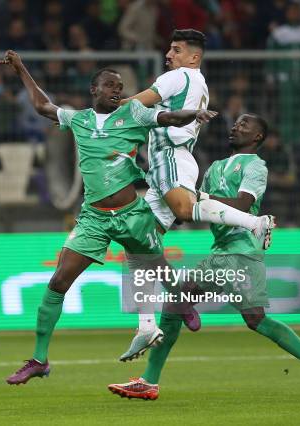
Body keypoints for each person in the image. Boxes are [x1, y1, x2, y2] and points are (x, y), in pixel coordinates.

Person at [0, 50, 217, 385]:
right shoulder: (79, 119)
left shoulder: (133, 113)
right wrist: (21, 69)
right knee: (58, 281)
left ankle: (181, 299)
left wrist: (194, 114)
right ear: (94, 90)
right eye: (110, 85)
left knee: (157, 266)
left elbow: (169, 118)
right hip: (94, 218)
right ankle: (39, 359)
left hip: (131, 213)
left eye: (120, 86)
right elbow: (43, 106)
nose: (117, 90)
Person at [108, 114, 300, 401]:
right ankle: (149, 381)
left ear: (257, 137)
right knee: (195, 307)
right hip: (221, 252)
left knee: (242, 316)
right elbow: (195, 208)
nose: (236, 127)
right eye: (235, 123)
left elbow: (243, 204)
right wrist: (171, 211)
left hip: (240, 253)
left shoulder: (256, 166)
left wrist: (199, 200)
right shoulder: (216, 167)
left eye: (245, 125)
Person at [119, 29, 275, 361]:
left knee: (185, 209)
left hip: (173, 158)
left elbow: (136, 105)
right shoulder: (194, 81)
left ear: (194, 56)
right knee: (137, 243)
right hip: (162, 164)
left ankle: (255, 223)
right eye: (169, 49)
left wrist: (104, 112)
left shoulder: (179, 77)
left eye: (176, 49)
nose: (168, 54)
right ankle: (147, 325)